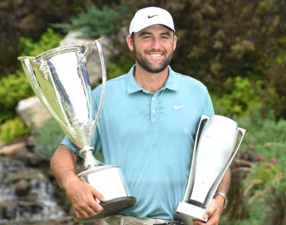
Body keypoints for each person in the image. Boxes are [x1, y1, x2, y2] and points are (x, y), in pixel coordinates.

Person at [50, 6, 231, 225]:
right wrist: (71, 182)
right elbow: (64, 153)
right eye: (146, 37)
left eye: (164, 37)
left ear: (174, 42)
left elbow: (218, 158)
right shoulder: (103, 96)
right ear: (130, 42)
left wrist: (219, 199)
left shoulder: (197, 92)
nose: (156, 45)